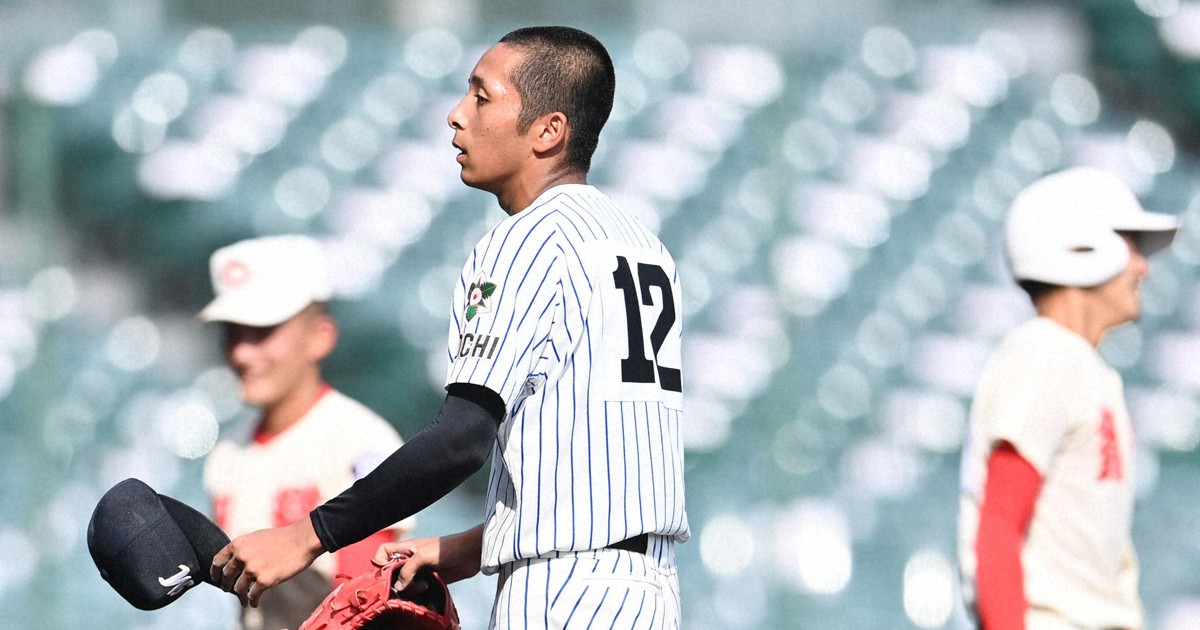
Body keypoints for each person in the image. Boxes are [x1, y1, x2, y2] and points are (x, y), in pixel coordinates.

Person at [210, 25, 689, 629]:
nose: (456, 116)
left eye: (482, 97)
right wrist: (464, 548)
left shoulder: (524, 241)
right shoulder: (644, 249)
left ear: (549, 130)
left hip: (561, 596)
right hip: (648, 594)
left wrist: (308, 535)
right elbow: (599, 474)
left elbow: (462, 440)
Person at [957, 166, 1180, 630]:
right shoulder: (1045, 354)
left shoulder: (1075, 364)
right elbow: (999, 525)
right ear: (1081, 247)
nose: (1143, 267)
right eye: (1131, 246)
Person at [199, 234, 413, 630]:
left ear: (321, 336)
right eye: (233, 332)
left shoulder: (357, 439)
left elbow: (366, 604)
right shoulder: (226, 454)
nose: (242, 353)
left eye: (262, 331)